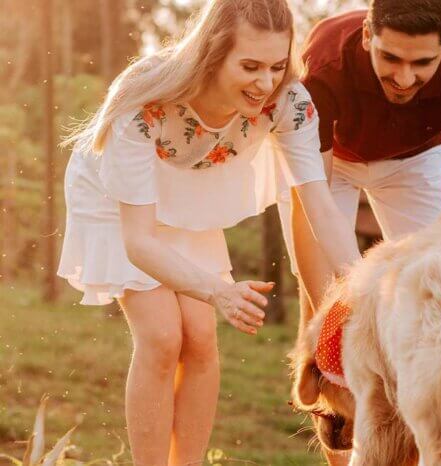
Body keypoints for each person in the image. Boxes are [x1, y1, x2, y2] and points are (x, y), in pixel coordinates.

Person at [57, 1, 359, 465]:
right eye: (250, 66)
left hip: (190, 193)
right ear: (213, 54)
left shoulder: (289, 101)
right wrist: (219, 291)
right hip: (117, 199)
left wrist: (364, 289)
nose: (265, 82)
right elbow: (138, 240)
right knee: (162, 335)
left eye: (277, 66)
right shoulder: (145, 99)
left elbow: (320, 207)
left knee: (199, 335)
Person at [280, 0, 441, 339]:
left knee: (436, 283)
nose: (404, 77)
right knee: (326, 308)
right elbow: (314, 204)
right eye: (391, 58)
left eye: (422, 62)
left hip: (414, 159)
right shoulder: (323, 64)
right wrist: (335, 311)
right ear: (368, 35)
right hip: (332, 163)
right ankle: (315, 380)